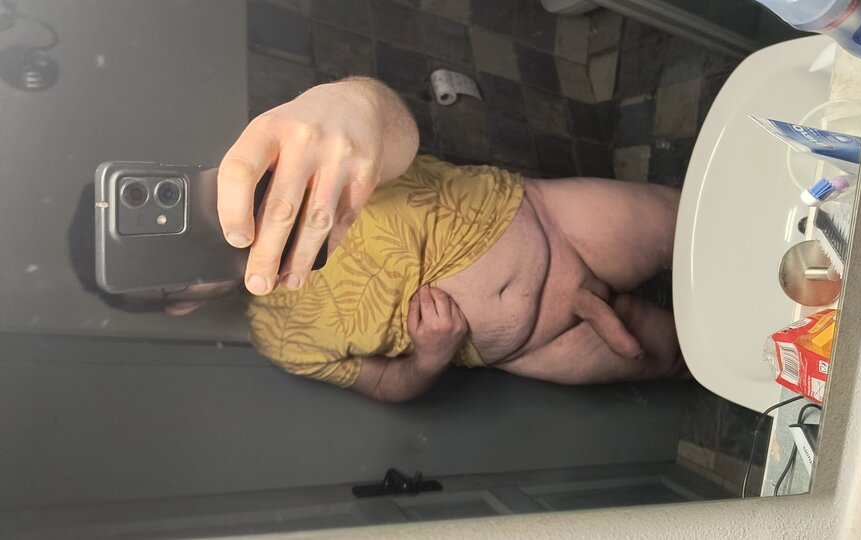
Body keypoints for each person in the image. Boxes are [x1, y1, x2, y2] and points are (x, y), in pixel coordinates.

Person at [193, 76, 686, 402]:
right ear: (180, 302)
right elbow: (385, 385)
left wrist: (352, 101)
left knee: (704, 226)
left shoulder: (275, 158)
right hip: (539, 344)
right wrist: (430, 359)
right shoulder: (279, 342)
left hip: (553, 224)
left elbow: (394, 128)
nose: (203, 235)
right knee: (691, 359)